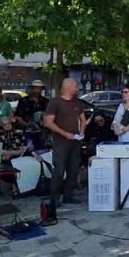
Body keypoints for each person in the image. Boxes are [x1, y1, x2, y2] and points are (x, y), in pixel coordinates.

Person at [43, 78, 88, 206]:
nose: (77, 88)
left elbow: (83, 119)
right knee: (59, 170)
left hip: (75, 141)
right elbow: (48, 122)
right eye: (75, 86)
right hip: (60, 141)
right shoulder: (55, 102)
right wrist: (65, 134)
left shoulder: (78, 103)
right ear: (68, 87)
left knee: (73, 170)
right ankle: (54, 199)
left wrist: (82, 132)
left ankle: (68, 196)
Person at [14, 80, 48, 151]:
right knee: (30, 150)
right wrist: (27, 125)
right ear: (32, 89)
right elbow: (18, 116)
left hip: (42, 132)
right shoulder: (23, 100)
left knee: (42, 151)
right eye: (36, 88)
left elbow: (48, 115)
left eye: (39, 88)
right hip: (27, 131)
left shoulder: (46, 101)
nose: (37, 90)